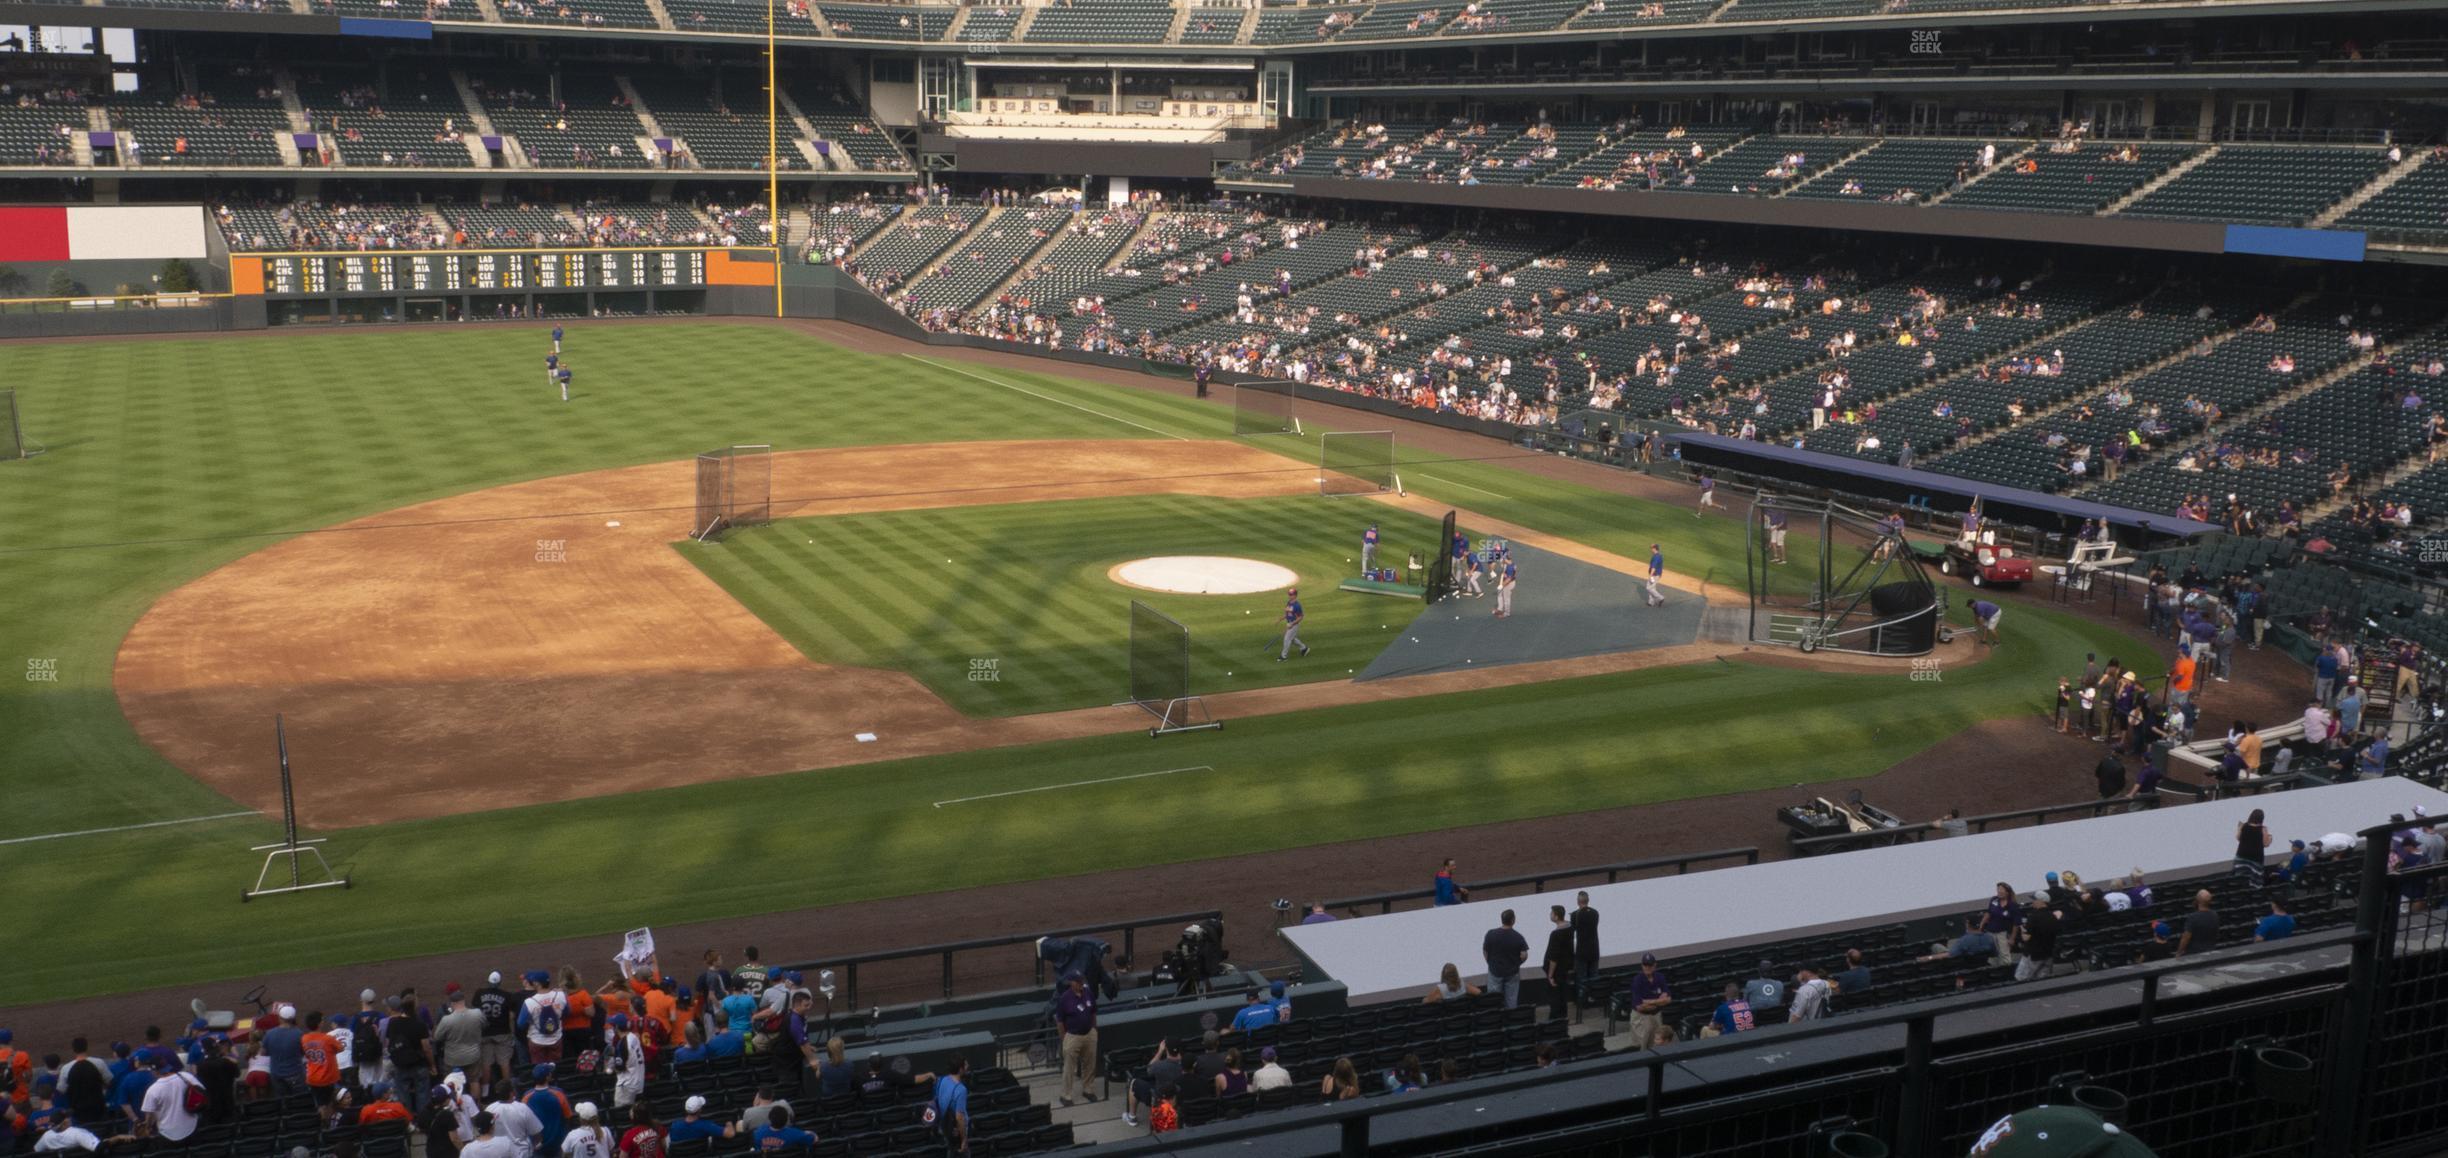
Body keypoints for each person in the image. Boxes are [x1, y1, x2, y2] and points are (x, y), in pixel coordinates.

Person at [1053, 975, 1098, 1108]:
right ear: (1071, 982)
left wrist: (1094, 1030)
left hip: (1089, 1034)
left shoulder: (1088, 993)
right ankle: (1065, 1095)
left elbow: (1094, 1012)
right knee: (1069, 1067)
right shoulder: (1065, 998)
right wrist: (1064, 1038)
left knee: (1090, 1064)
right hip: (1073, 1036)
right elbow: (1059, 1021)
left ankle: (1088, 1090)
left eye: (1081, 981)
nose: (1080, 983)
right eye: (1077, 981)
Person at [134, 1056, 199, 1143]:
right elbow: (201, 1092)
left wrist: (148, 1126)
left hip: (167, 1134)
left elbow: (149, 1116)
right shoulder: (186, 1076)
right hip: (192, 1126)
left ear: (154, 1071)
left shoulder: (152, 1090)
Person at [1121, 1040, 1181, 1129]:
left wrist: (1160, 1051)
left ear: (1166, 1050)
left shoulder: (1159, 1065)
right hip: (1178, 1098)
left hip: (1158, 1098)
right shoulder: (1185, 1065)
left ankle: (1131, 1117)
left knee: (1134, 1082)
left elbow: (1148, 1069)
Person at [1483, 910, 1530, 1010]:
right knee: (1511, 1000)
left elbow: (1485, 952)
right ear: (1513, 920)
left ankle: (1494, 1020)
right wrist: (1518, 963)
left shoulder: (1491, 934)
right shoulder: (1518, 937)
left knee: (1493, 1000)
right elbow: (1524, 955)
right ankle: (1511, 1021)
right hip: (1512, 972)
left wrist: (1490, 963)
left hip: (1495, 971)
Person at [1623, 954, 1672, 1045]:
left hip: (1656, 1016)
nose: (1647, 967)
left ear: (1654, 965)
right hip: (1641, 1018)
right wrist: (1659, 1002)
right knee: (1642, 1046)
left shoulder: (1660, 977)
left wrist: (1649, 1002)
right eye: (1645, 965)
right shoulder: (1637, 980)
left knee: (1658, 1045)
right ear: (1642, 966)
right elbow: (1640, 1007)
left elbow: (1668, 999)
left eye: (1650, 965)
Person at [927, 1056, 968, 1155]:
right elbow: (959, 1118)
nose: (968, 1066)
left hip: (943, 1127)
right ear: (960, 1069)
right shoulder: (961, 1090)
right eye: (965, 1065)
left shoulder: (941, 1080)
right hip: (955, 1133)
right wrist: (963, 1140)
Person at [1541, 906, 1576, 1020]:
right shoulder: (1570, 927)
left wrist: (1550, 975)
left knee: (1555, 997)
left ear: (1556, 916)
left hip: (1557, 971)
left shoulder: (1556, 934)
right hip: (1565, 967)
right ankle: (1563, 1017)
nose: (1550, 915)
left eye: (1551, 913)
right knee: (1562, 995)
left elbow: (1553, 957)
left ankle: (1555, 1020)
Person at [1570, 892, 1601, 1014]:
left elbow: (1573, 930)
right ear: (1588, 900)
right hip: (1594, 949)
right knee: (1594, 975)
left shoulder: (1575, 915)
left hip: (1582, 950)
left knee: (1581, 977)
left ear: (1578, 902)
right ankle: (1594, 998)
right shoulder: (1595, 913)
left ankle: (1582, 1001)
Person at [2176, 889, 2219, 957]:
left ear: (2197, 901)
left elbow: (2186, 938)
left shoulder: (2193, 918)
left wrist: (2179, 953)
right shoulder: (2215, 915)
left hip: (2195, 954)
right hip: (2211, 951)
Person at [1277, 586, 1309, 661]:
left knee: (1287, 639)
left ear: (1295, 595)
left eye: (1291, 594)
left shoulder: (1297, 605)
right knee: (1292, 639)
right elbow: (1288, 613)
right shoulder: (1289, 603)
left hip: (1294, 625)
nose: (1289, 596)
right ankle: (1304, 648)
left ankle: (1283, 656)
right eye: (1289, 594)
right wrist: (1281, 618)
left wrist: (1292, 624)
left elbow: (1300, 617)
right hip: (1289, 623)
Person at [1495, 554, 1517, 619]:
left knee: (1506, 599)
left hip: (1508, 584)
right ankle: (1500, 609)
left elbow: (1509, 579)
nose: (1503, 560)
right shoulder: (1511, 564)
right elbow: (1504, 567)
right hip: (1507, 581)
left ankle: (1507, 613)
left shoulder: (1510, 567)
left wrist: (1502, 585)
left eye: (1504, 559)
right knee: (1499, 595)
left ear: (1507, 559)